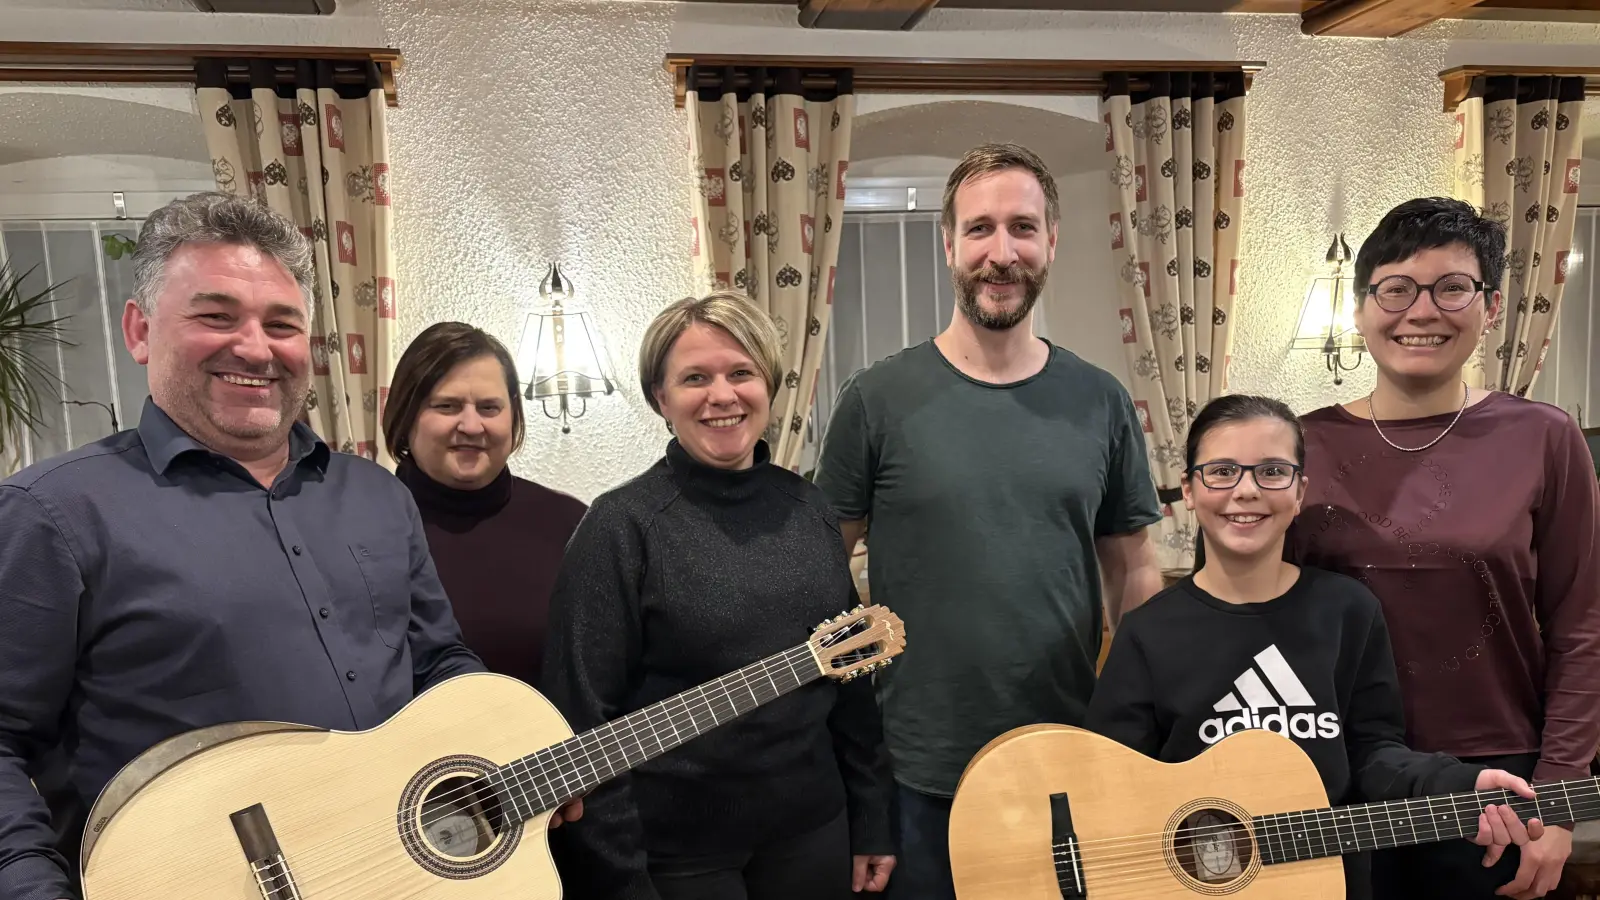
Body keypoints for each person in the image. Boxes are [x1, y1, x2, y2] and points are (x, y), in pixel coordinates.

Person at [0, 192, 565, 900]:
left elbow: (435, 658)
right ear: (140, 331)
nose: (256, 347)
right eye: (216, 316)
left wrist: (500, 742)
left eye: (282, 323)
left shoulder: (378, 496)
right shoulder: (53, 512)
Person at [812, 141, 1165, 899]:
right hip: (914, 772)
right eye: (979, 229)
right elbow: (819, 578)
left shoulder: (1102, 401)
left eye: (1022, 228)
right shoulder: (875, 400)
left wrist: (1140, 723)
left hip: (1067, 759)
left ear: (1051, 242)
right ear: (948, 243)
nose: (1000, 253)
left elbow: (1132, 567)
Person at [1086, 393, 1546, 900]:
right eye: (1221, 472)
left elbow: (1372, 751)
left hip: (1327, 882)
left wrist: (1455, 783)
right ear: (1191, 490)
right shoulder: (1147, 631)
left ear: (1300, 490)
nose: (1246, 491)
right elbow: (1111, 783)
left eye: (1272, 472)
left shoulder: (1348, 610)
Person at [1289, 197, 1600, 900]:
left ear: (1489, 306)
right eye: (1396, 289)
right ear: (1362, 309)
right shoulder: (1298, 445)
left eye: (1451, 288)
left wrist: (1559, 802)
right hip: (1337, 773)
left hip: (1496, 782)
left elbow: (1583, 629)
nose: (1421, 312)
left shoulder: (1545, 439)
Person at [541, 291, 896, 900]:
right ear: (662, 399)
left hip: (814, 835)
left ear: (769, 385)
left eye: (741, 373)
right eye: (695, 378)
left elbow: (851, 679)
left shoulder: (811, 511)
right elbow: (582, 723)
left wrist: (871, 818)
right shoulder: (620, 528)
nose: (722, 396)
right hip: (676, 857)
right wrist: (620, 879)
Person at [383, 321, 588, 686]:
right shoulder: (362, 527)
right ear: (406, 415)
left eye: (489, 407)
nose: (472, 426)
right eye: (447, 406)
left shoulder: (571, 524)